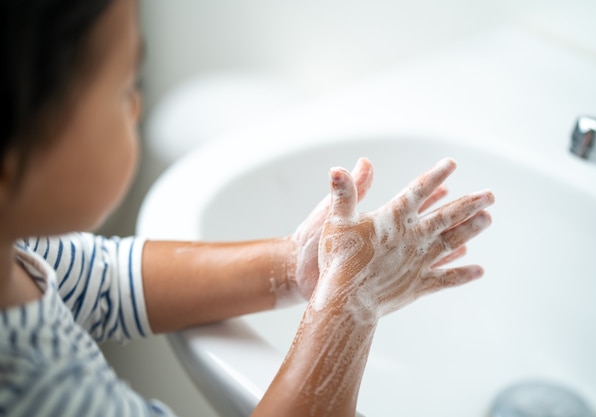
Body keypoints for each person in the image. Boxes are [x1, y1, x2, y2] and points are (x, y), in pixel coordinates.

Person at [0, 0, 495, 416]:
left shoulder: (12, 250)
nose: (136, 107)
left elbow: (101, 280)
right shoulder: (35, 390)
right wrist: (350, 309)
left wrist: (292, 262)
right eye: (125, 88)